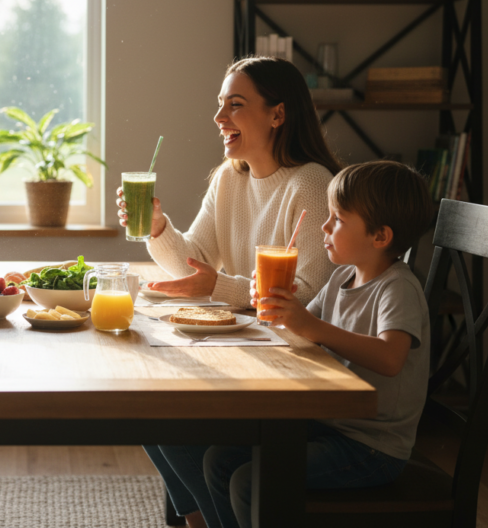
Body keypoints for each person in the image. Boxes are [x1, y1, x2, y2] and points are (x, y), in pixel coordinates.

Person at [117, 56, 342, 527]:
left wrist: (220, 287)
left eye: (235, 106)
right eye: (220, 105)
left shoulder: (311, 185)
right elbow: (195, 259)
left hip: (294, 369)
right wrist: (157, 227)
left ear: (277, 115)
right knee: (146, 408)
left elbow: (305, 297)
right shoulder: (229, 178)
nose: (219, 119)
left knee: (169, 419)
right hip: (252, 350)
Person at [203, 160, 434, 528]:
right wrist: (279, 311)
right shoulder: (343, 275)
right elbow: (300, 332)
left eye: (338, 219)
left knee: (249, 482)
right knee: (219, 459)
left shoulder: (398, 288)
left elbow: (391, 358)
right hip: (330, 424)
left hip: (372, 446)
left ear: (380, 237)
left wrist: (313, 326)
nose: (324, 227)